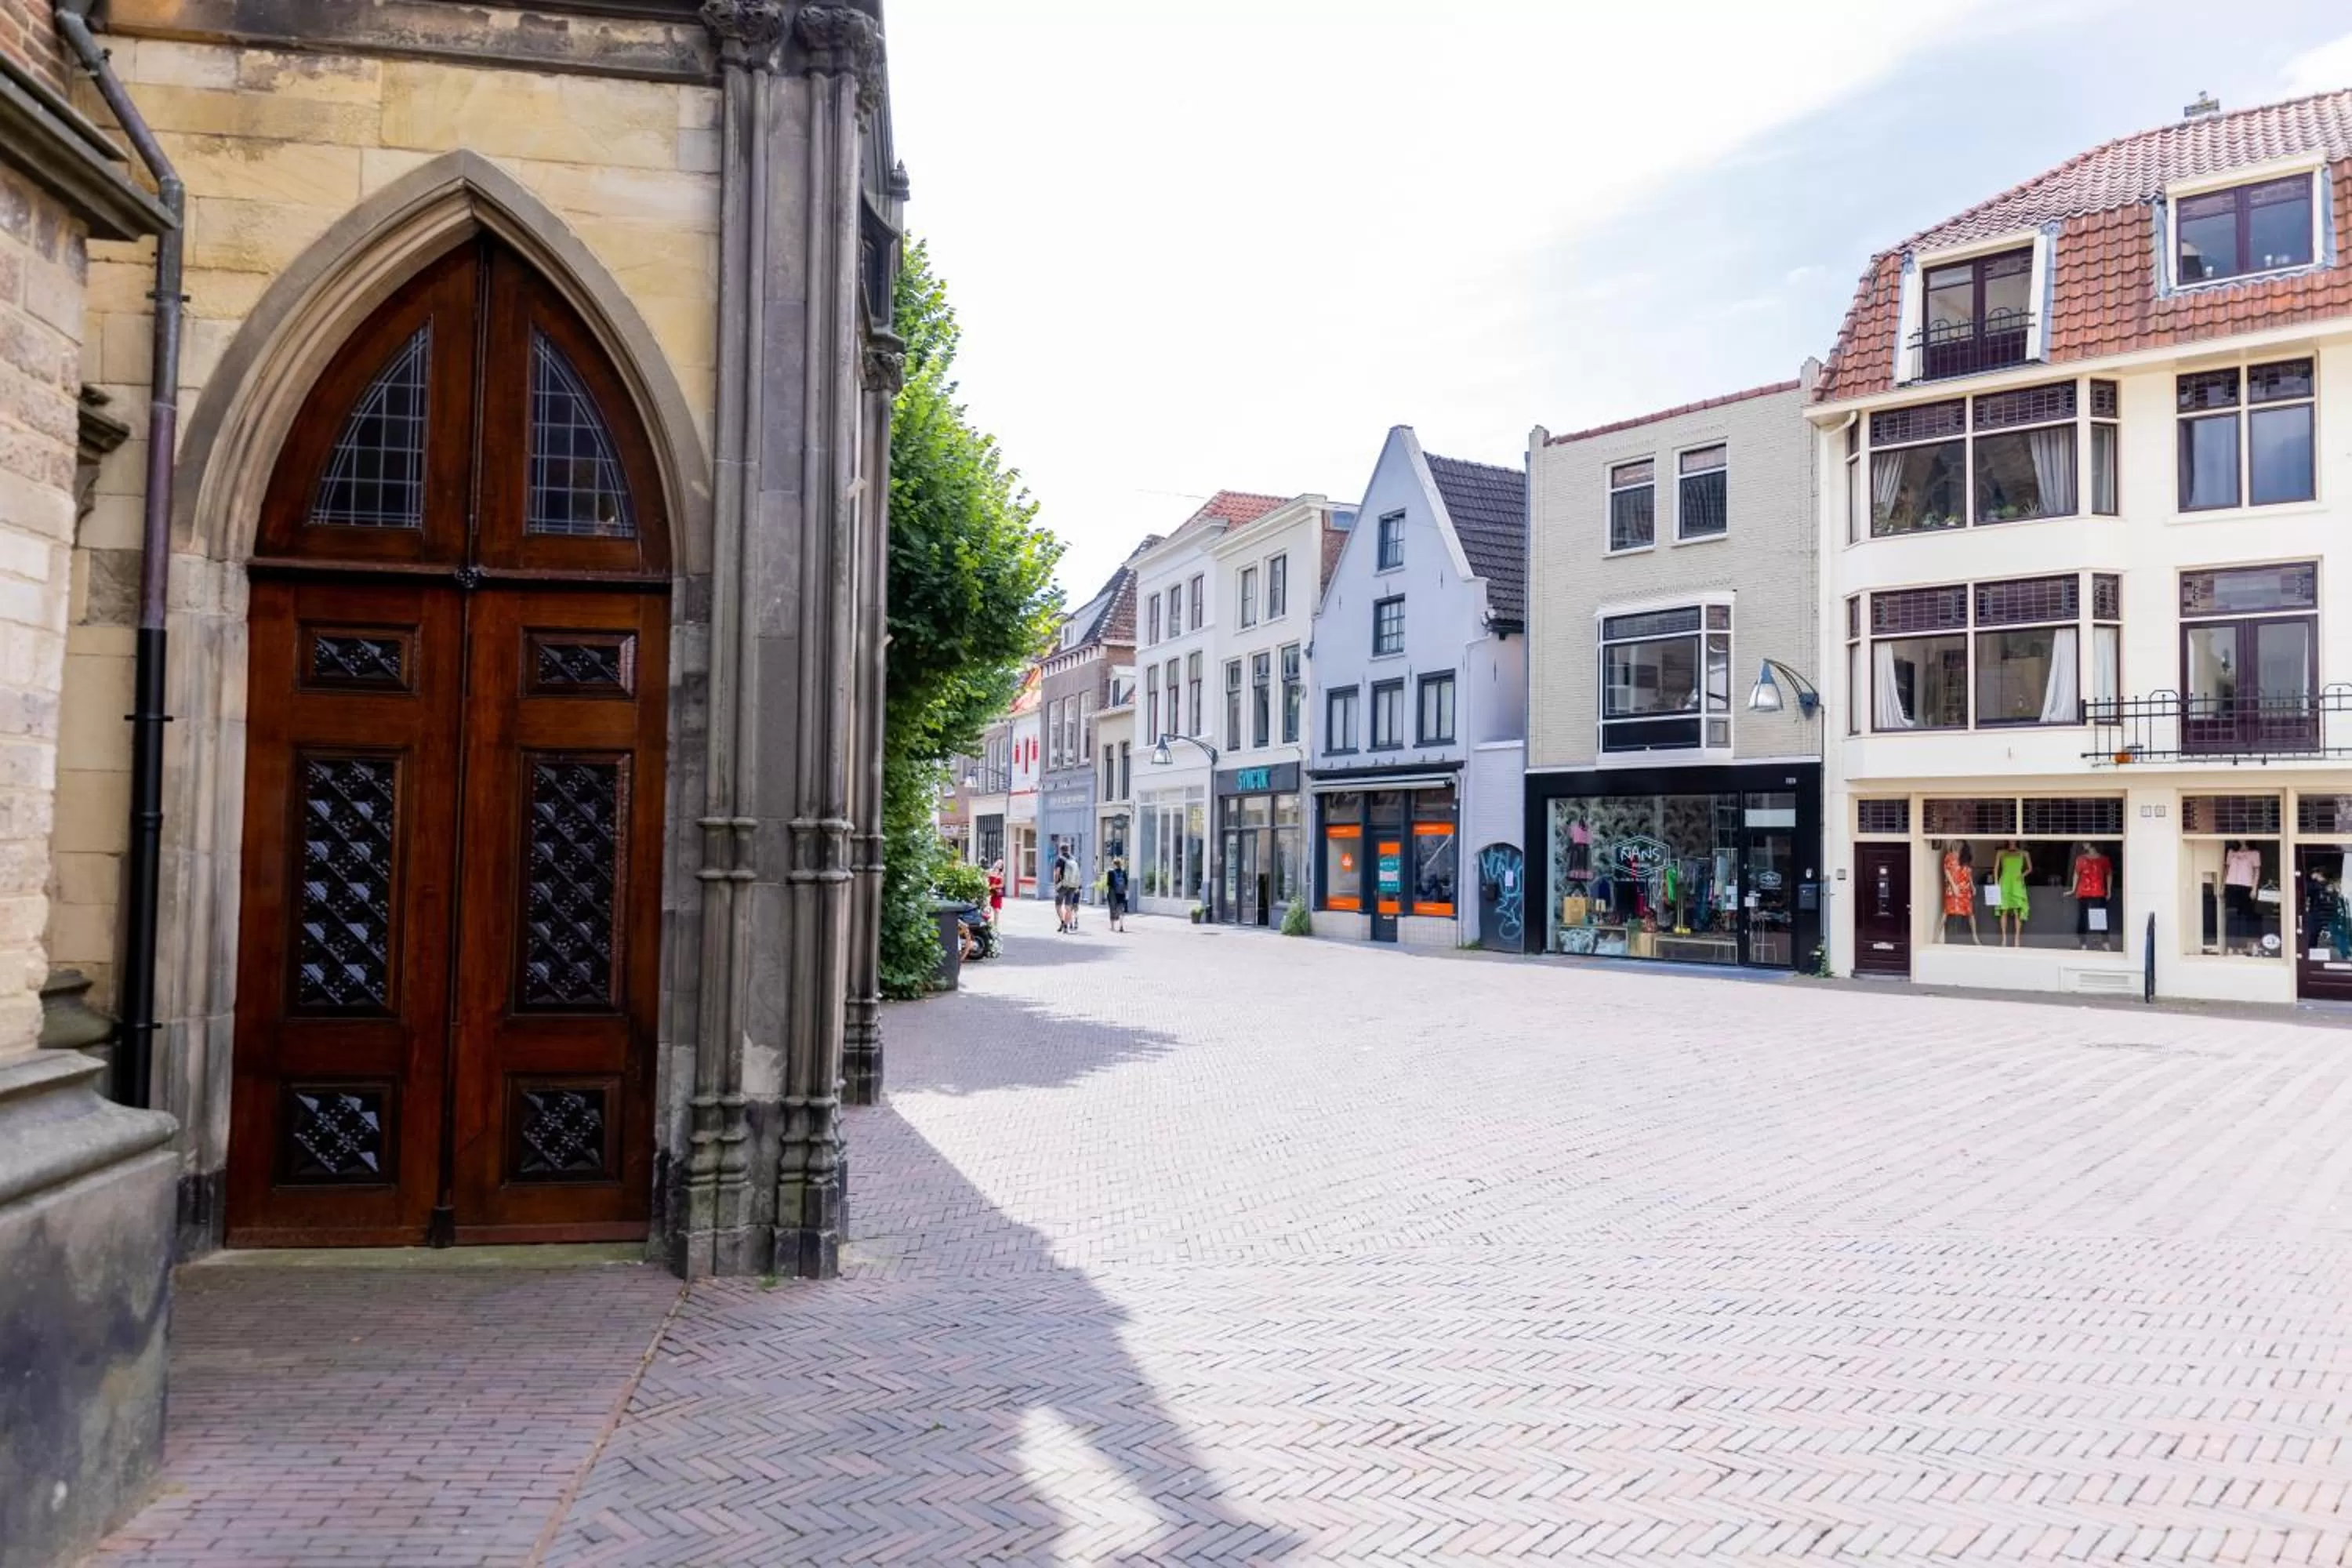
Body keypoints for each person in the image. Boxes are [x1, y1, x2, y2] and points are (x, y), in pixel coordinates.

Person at [2068, 842, 2114, 952]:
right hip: (2083, 892)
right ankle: (2083, 943)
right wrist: (2073, 889)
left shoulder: (2103, 859)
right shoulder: (2081, 859)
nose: (2084, 844)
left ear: (2093, 844)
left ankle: (2105, 942)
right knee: (2083, 918)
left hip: (2098, 892)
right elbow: (2076, 874)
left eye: (2086, 842)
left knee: (2100, 918)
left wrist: (2109, 891)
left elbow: (2109, 874)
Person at [1993, 840, 2032, 948]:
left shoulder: (2024, 853)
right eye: (2010, 838)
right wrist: (1996, 883)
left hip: (2017, 883)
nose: (2012, 840)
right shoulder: (2001, 853)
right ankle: (2004, 939)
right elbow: (1996, 869)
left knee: (2017, 912)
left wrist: (2023, 875)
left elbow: (2030, 868)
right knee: (2004, 910)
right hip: (2005, 882)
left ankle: (2017, 940)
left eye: (2014, 838)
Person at [1940, 840, 1979, 945]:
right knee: (1947, 911)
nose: (1956, 846)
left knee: (1970, 913)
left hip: (1965, 889)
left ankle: (1975, 936)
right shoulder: (1949, 856)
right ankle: (1937, 936)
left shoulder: (1964, 858)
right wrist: (1953, 886)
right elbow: (1947, 871)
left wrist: (1972, 886)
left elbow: (1968, 873)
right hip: (1954, 888)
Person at [1051, 848, 1077, 933]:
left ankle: (1062, 921)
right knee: (1068, 907)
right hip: (1072, 885)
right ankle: (1066, 926)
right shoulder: (1073, 859)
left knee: (1058, 906)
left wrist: (1055, 883)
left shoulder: (1060, 860)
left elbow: (1057, 872)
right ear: (1068, 850)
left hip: (1062, 885)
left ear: (1061, 850)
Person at [1105, 857, 1130, 932]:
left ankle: (1113, 927)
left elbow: (1108, 884)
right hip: (1121, 893)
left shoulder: (1111, 872)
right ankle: (1121, 926)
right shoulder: (1124, 872)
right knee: (1121, 909)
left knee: (1112, 909)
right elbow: (1126, 883)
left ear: (1114, 864)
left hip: (1113, 893)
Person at [986, 858, 1006, 927]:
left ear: (1001, 867)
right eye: (998, 863)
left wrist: (996, 886)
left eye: (1001, 864)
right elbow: (985, 880)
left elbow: (1002, 885)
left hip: (997, 893)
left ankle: (995, 926)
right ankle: (987, 924)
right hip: (989, 892)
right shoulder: (990, 872)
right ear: (995, 863)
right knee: (987, 909)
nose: (999, 865)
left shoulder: (1001, 874)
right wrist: (988, 886)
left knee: (996, 910)